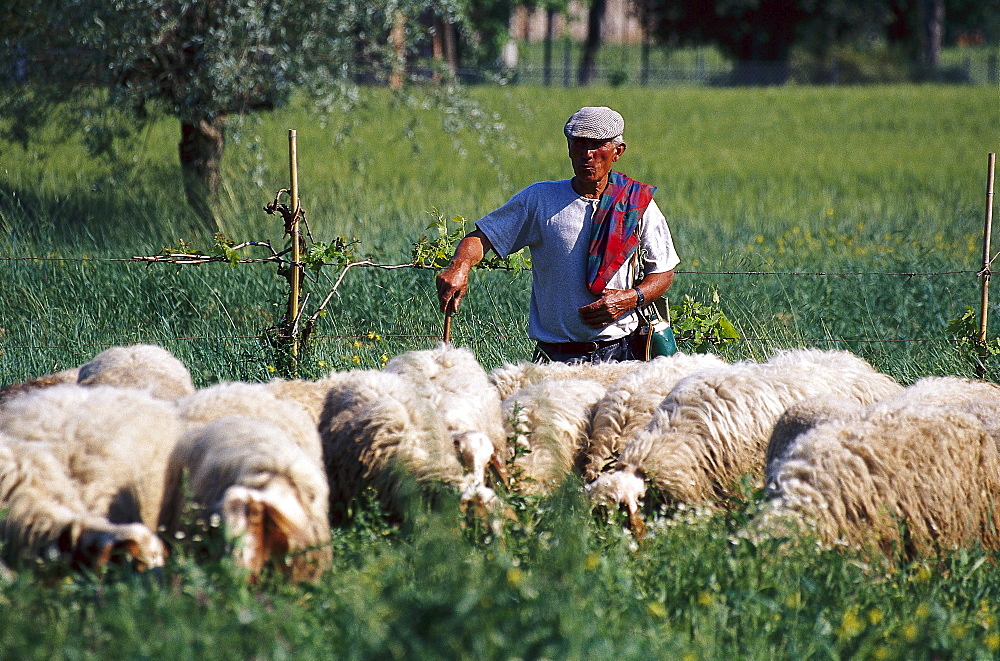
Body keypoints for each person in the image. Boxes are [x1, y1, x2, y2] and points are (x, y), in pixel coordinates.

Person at [435, 106, 679, 364]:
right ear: (569, 149)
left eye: (597, 146)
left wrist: (629, 299)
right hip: (554, 356)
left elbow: (663, 272)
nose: (588, 155)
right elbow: (482, 238)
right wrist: (460, 265)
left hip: (620, 354)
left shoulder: (635, 203)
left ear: (618, 151)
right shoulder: (540, 199)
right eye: (579, 145)